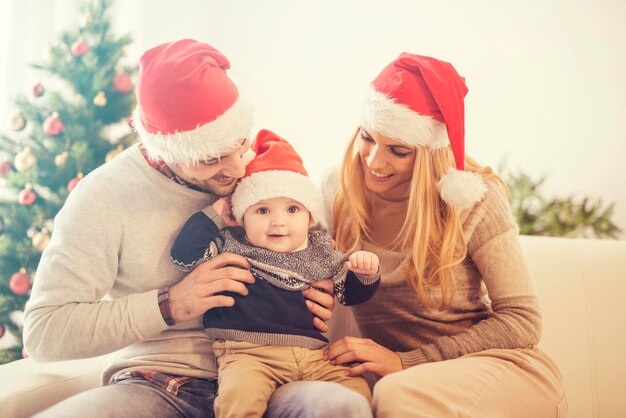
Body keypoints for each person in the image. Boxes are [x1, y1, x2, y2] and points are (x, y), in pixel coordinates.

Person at [22, 39, 371, 418]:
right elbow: (44, 332)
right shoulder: (103, 197)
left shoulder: (265, 167)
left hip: (279, 374)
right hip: (159, 382)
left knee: (340, 406)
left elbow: (317, 247)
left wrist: (320, 292)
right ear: (165, 151)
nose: (237, 171)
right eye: (211, 160)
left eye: (239, 146)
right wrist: (171, 304)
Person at [323, 53, 568, 417]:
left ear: (428, 153)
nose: (374, 161)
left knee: (397, 395)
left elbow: (522, 320)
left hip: (497, 369)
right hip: (405, 380)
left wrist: (407, 362)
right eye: (367, 137)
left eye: (398, 150)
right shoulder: (338, 192)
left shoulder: (472, 197)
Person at [170, 129, 380, 417]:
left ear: (310, 216)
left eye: (292, 209)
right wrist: (217, 213)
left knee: (355, 390)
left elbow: (350, 294)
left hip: (314, 356)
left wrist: (365, 270)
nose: (279, 222)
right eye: (263, 211)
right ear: (242, 217)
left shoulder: (320, 250)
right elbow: (184, 256)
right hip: (249, 354)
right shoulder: (232, 244)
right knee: (238, 398)